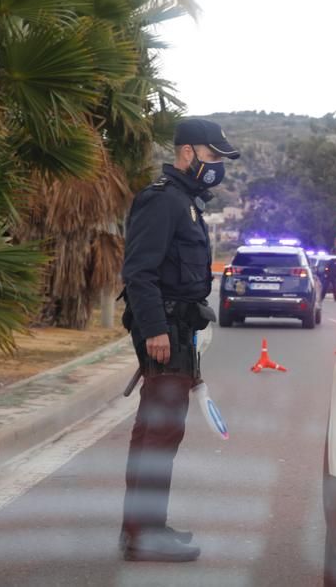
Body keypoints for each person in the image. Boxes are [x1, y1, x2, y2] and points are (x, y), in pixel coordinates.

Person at [119, 119, 239, 562]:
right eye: (212, 156)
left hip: (178, 328)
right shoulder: (163, 201)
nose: (217, 166)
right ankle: (142, 536)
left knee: (156, 432)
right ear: (187, 152)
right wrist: (154, 330)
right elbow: (139, 272)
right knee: (160, 433)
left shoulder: (186, 202)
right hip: (163, 331)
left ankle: (142, 528)